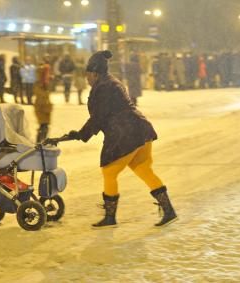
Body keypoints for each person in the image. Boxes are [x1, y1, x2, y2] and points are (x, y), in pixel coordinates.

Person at [60, 50, 178, 228]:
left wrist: (81, 134)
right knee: (143, 169)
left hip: (126, 133)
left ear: (95, 73)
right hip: (141, 129)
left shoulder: (104, 87)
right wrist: (80, 134)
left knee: (109, 171)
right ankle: (168, 210)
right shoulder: (110, 82)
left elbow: (99, 116)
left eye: (88, 75)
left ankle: (110, 216)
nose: (87, 79)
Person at [33, 55, 52, 142]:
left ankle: (41, 141)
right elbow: (43, 100)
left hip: (43, 108)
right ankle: (40, 142)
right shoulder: (40, 85)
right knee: (43, 126)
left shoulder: (43, 85)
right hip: (42, 108)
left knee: (44, 126)